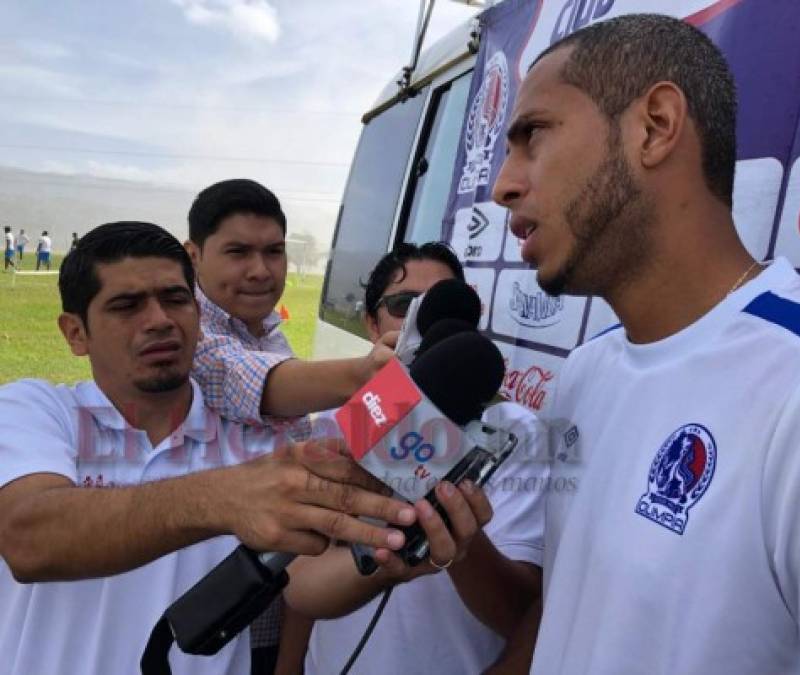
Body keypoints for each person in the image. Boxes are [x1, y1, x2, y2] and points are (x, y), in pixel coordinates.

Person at [491, 14, 800, 674]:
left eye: (531, 136)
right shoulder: (585, 373)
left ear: (654, 126)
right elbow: (570, 612)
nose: (503, 183)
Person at [0, 222, 421, 675]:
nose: (160, 320)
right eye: (127, 305)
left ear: (198, 316)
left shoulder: (268, 441)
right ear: (75, 333)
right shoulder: (36, 409)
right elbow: (29, 539)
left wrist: (398, 550)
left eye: (176, 299)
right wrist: (221, 498)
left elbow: (300, 590)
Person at [290, 243, 547, 675]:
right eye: (404, 305)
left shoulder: (519, 433)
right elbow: (299, 578)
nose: (429, 323)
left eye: (447, 304)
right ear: (373, 325)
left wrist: (455, 536)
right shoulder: (345, 420)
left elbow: (520, 616)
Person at [183, 178, 396, 673]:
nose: (260, 270)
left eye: (274, 251)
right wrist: (371, 375)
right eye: (238, 251)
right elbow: (248, 382)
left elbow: (313, 442)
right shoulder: (190, 329)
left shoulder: (268, 333)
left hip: (276, 604)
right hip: (212, 622)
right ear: (193, 255)